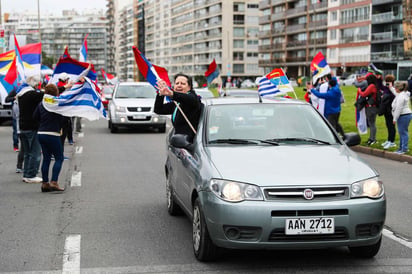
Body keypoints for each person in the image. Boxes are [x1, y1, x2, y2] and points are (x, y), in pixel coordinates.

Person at [33, 84, 65, 192]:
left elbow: (35, 117)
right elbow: (63, 119)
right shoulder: (57, 104)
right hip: (53, 133)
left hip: (41, 133)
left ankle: (45, 183)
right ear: (56, 92)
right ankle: (54, 182)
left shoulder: (41, 103)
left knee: (46, 158)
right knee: (59, 158)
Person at [154, 73, 202, 142]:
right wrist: (160, 94)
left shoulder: (192, 99)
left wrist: (172, 94)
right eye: (177, 83)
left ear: (189, 87)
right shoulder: (176, 103)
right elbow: (158, 109)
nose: (179, 85)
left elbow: (189, 99)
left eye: (182, 84)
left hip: (190, 144)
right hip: (178, 142)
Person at [16, 75, 44, 183]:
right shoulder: (32, 94)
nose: (38, 86)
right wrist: (65, 87)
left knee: (27, 153)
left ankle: (26, 174)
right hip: (32, 127)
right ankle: (31, 175)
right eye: (37, 84)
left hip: (23, 127)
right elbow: (47, 94)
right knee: (35, 153)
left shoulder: (21, 94)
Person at [358, 74, 379, 146]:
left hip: (370, 107)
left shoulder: (371, 86)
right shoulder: (375, 85)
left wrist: (359, 90)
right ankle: (371, 138)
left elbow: (364, 94)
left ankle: (373, 139)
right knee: (371, 123)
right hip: (373, 107)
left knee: (372, 123)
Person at [391, 81, 412, 154]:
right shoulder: (401, 94)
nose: (395, 89)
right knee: (401, 132)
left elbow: (398, 108)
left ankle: (404, 149)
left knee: (403, 132)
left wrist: (394, 119)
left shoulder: (401, 97)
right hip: (405, 115)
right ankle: (401, 148)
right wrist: (390, 87)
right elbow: (394, 92)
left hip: (403, 115)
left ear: (398, 88)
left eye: (395, 87)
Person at [379, 74, 396, 150]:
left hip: (391, 110)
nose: (387, 83)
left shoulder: (393, 89)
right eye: (386, 81)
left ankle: (392, 141)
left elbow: (393, 96)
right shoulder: (386, 88)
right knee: (388, 125)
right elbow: (380, 86)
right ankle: (389, 140)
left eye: (388, 81)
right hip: (386, 110)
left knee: (391, 126)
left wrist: (391, 87)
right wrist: (379, 79)